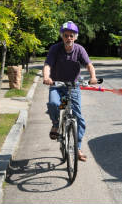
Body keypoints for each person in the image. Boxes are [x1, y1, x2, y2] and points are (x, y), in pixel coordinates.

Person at [43, 21, 98, 162]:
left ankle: (77, 148)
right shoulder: (55, 49)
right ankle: (56, 124)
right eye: (66, 35)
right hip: (57, 85)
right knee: (54, 104)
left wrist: (93, 77)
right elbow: (48, 65)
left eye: (71, 35)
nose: (69, 38)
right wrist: (46, 77)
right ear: (62, 36)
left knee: (79, 118)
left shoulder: (79, 49)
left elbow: (89, 65)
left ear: (75, 37)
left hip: (72, 87)